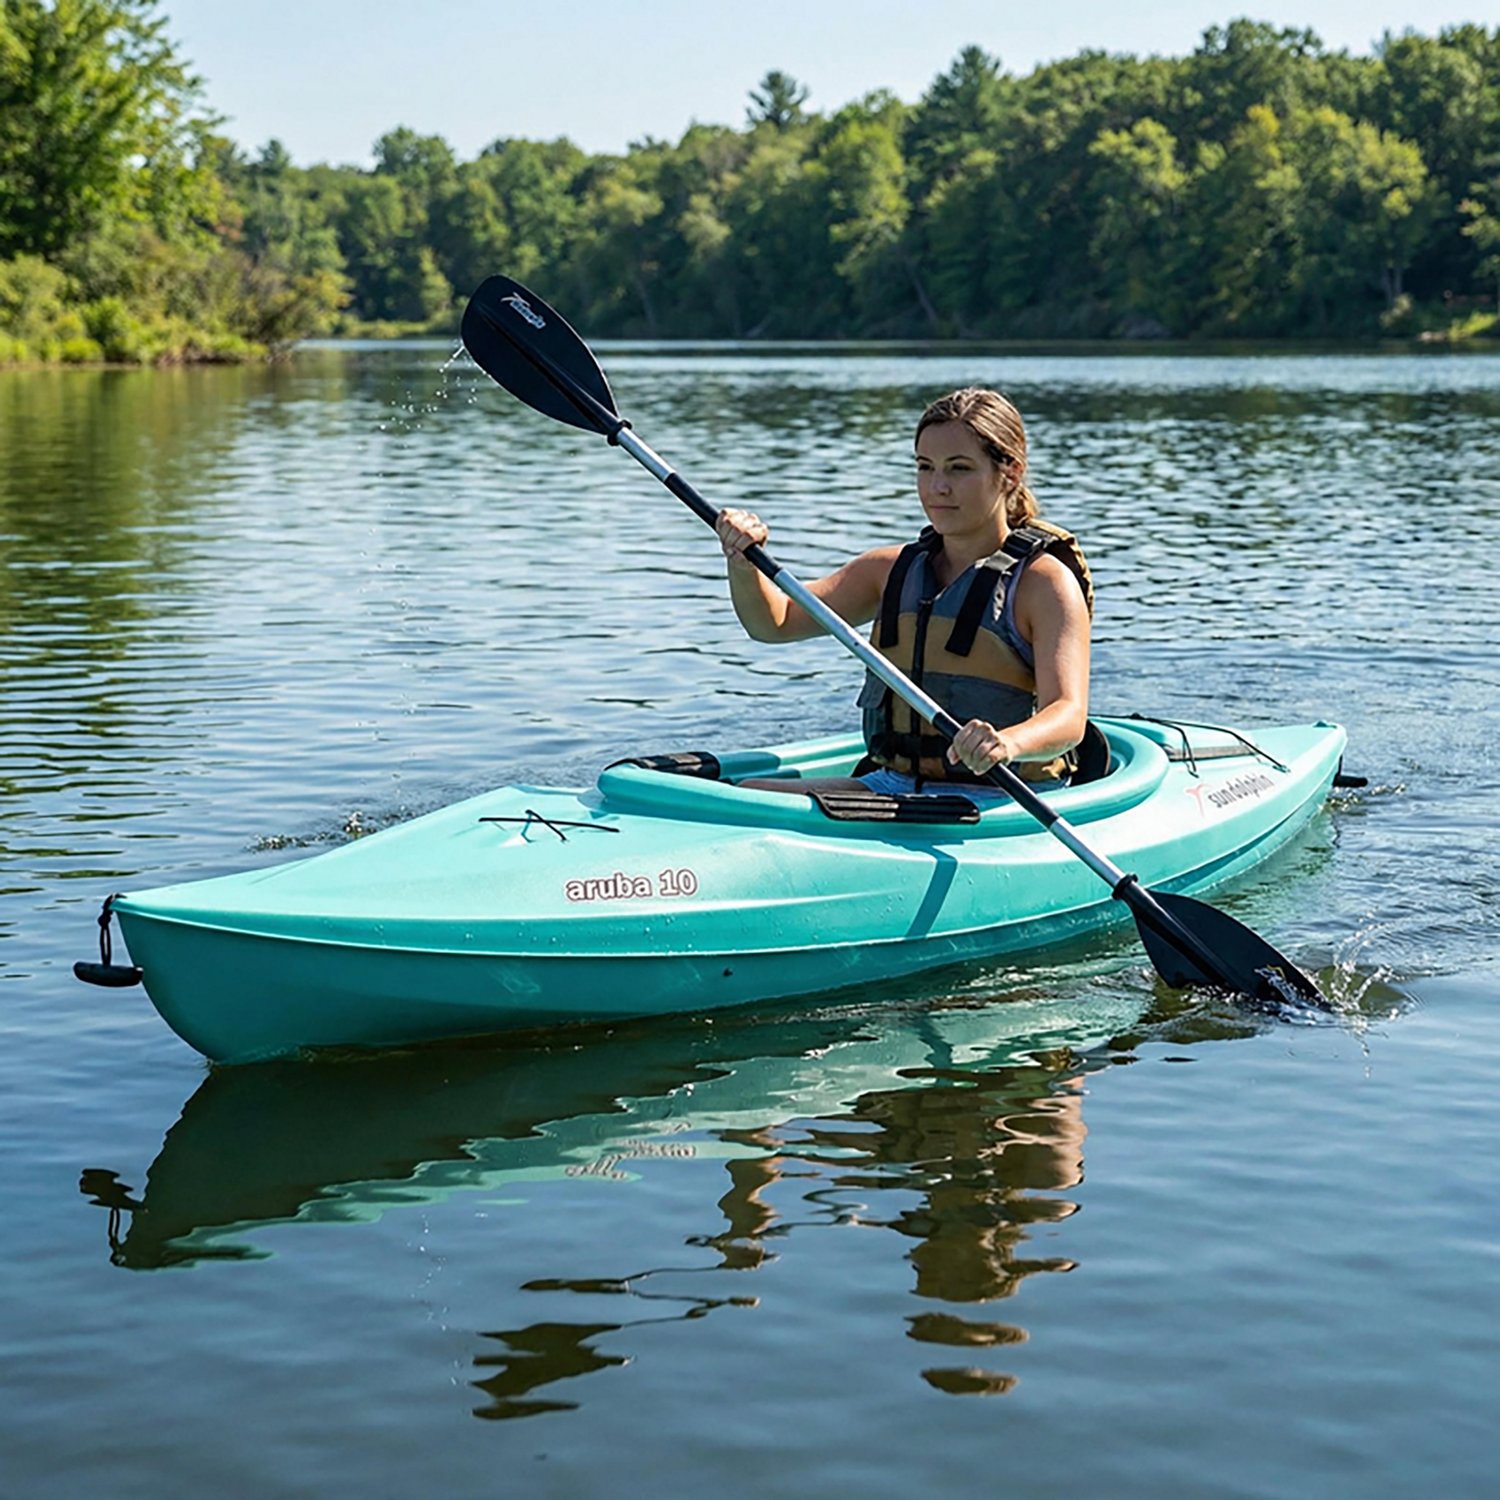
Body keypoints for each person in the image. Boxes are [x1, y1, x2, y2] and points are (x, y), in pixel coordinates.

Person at [714, 387, 1092, 799]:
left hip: (1003, 796)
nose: (937, 487)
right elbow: (776, 622)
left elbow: (1068, 716)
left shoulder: (1044, 584)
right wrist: (743, 560)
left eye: (959, 469)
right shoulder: (888, 571)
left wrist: (1008, 744)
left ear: (1011, 473)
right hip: (893, 784)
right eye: (925, 467)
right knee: (750, 793)